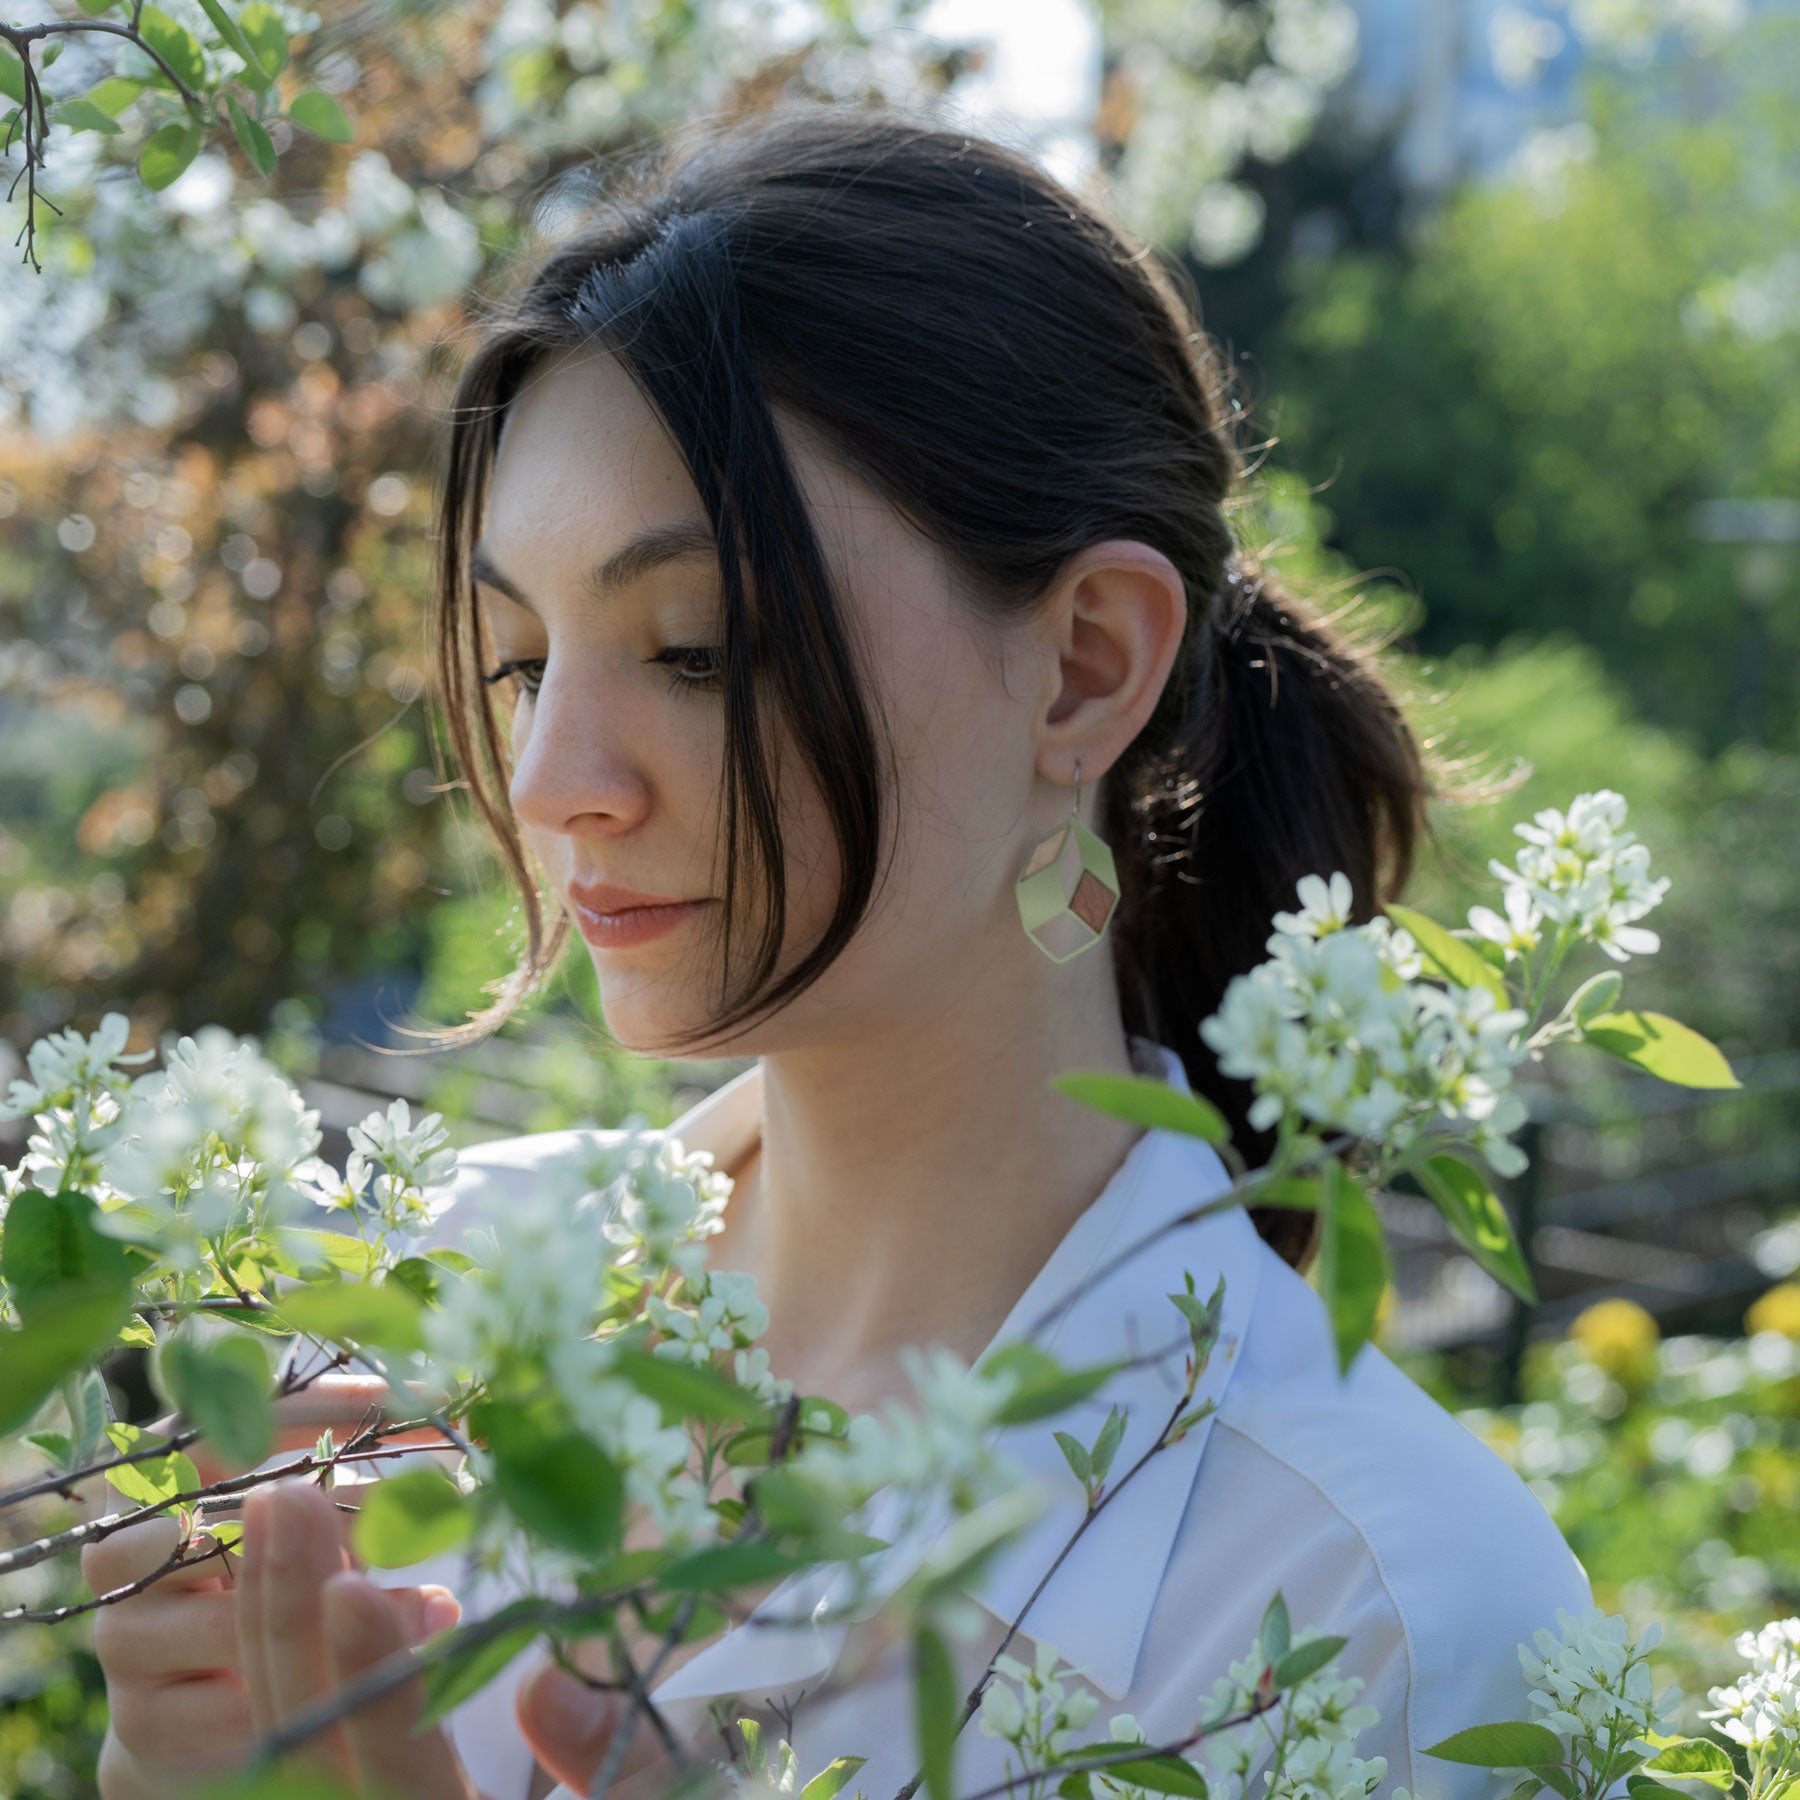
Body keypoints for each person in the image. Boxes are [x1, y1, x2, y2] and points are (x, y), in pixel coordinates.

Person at [82, 99, 1591, 1800]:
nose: (558, 784)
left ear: (1088, 667)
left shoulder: (1390, 1607)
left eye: (698, 649)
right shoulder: (435, 1298)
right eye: (519, 665)